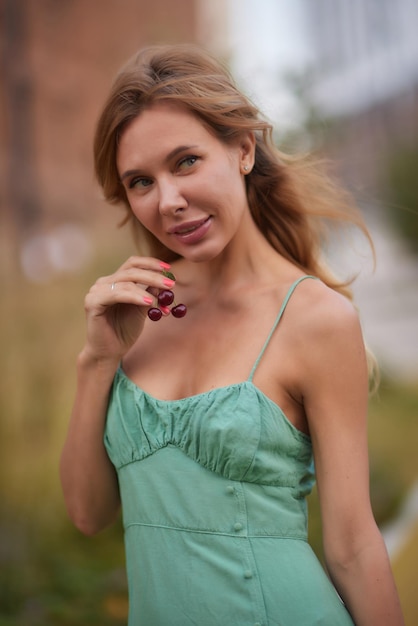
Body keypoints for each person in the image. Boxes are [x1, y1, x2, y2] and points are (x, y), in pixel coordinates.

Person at [60, 44, 405, 626]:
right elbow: (89, 514)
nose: (169, 200)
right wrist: (97, 361)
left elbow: (352, 544)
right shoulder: (137, 313)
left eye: (186, 162)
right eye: (140, 181)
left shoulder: (317, 320)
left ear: (243, 149)